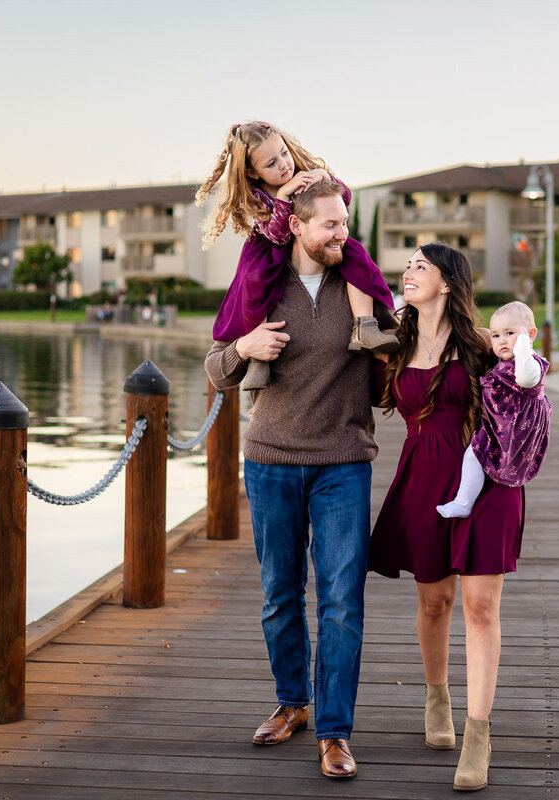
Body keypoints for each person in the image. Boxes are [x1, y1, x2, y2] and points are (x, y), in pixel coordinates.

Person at [205, 179, 393, 781]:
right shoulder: (262, 284)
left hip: (343, 461)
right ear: (297, 227)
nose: (343, 235)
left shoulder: (358, 284)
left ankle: (335, 734)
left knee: (342, 601)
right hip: (271, 461)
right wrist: (245, 346)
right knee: (279, 595)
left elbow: (399, 351)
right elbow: (216, 367)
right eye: (331, 226)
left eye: (346, 223)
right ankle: (293, 704)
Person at [370, 243, 526, 792]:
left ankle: (479, 736)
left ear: (446, 283)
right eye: (407, 266)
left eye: (419, 266)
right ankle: (437, 699)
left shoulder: (484, 347)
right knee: (434, 601)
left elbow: (529, 389)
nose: (407, 273)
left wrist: (524, 352)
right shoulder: (395, 343)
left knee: (481, 607)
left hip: (486, 481)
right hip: (422, 477)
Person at [197, 121, 396, 390]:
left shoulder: (304, 175)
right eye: (270, 163)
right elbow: (278, 236)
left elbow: (341, 197)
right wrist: (283, 197)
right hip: (268, 251)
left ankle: (364, 326)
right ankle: (260, 358)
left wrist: (325, 178)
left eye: (284, 153)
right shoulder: (256, 197)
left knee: (357, 256)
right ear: (252, 172)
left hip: (348, 430)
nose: (283, 165)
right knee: (255, 280)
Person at [436, 301, 551, 518]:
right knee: (473, 455)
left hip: (517, 428)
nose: (502, 340)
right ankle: (463, 502)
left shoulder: (531, 363)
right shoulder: (501, 361)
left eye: (510, 333)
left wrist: (524, 347)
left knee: (489, 457)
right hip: (497, 424)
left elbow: (525, 378)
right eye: (496, 336)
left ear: (531, 334)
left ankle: (465, 502)